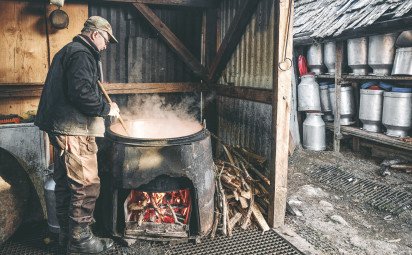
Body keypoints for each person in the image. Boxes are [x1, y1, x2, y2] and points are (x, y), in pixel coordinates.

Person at [35, 16, 120, 254]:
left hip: (61, 128)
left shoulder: (69, 51)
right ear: (95, 34)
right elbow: (81, 93)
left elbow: (78, 87)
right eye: (106, 40)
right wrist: (107, 108)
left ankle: (66, 237)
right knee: (86, 185)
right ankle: (81, 242)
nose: (106, 45)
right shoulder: (82, 53)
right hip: (75, 130)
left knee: (65, 185)